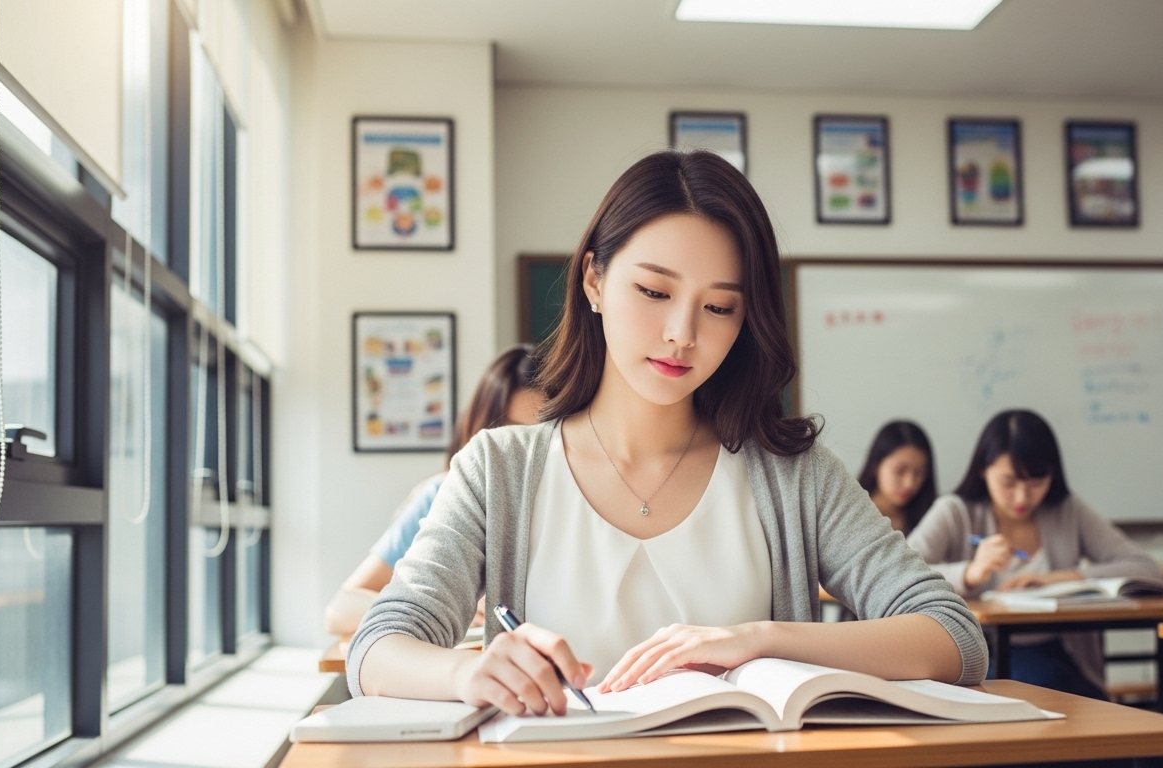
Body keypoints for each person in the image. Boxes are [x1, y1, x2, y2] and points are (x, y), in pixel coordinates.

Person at [347, 150, 987, 716]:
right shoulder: (497, 468)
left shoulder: (793, 472)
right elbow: (378, 646)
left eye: (719, 306)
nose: (683, 333)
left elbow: (954, 636)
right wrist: (467, 673)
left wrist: (762, 639)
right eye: (655, 291)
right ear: (594, 280)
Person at [907, 409, 1161, 700]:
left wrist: (1065, 578)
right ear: (982, 470)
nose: (1022, 497)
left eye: (1036, 483)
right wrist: (969, 573)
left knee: (1076, 695)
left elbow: (1144, 568)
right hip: (977, 651)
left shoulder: (1067, 510)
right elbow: (902, 575)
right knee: (1045, 687)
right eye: (1009, 482)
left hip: (1060, 652)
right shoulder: (955, 511)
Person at [322, 344, 544, 636]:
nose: (526, 455)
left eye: (542, 436)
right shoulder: (442, 494)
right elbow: (340, 610)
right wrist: (433, 610)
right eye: (510, 436)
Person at [856, 420, 937, 535]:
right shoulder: (854, 514)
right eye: (900, 470)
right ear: (876, 465)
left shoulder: (929, 518)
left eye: (919, 472)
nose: (909, 483)